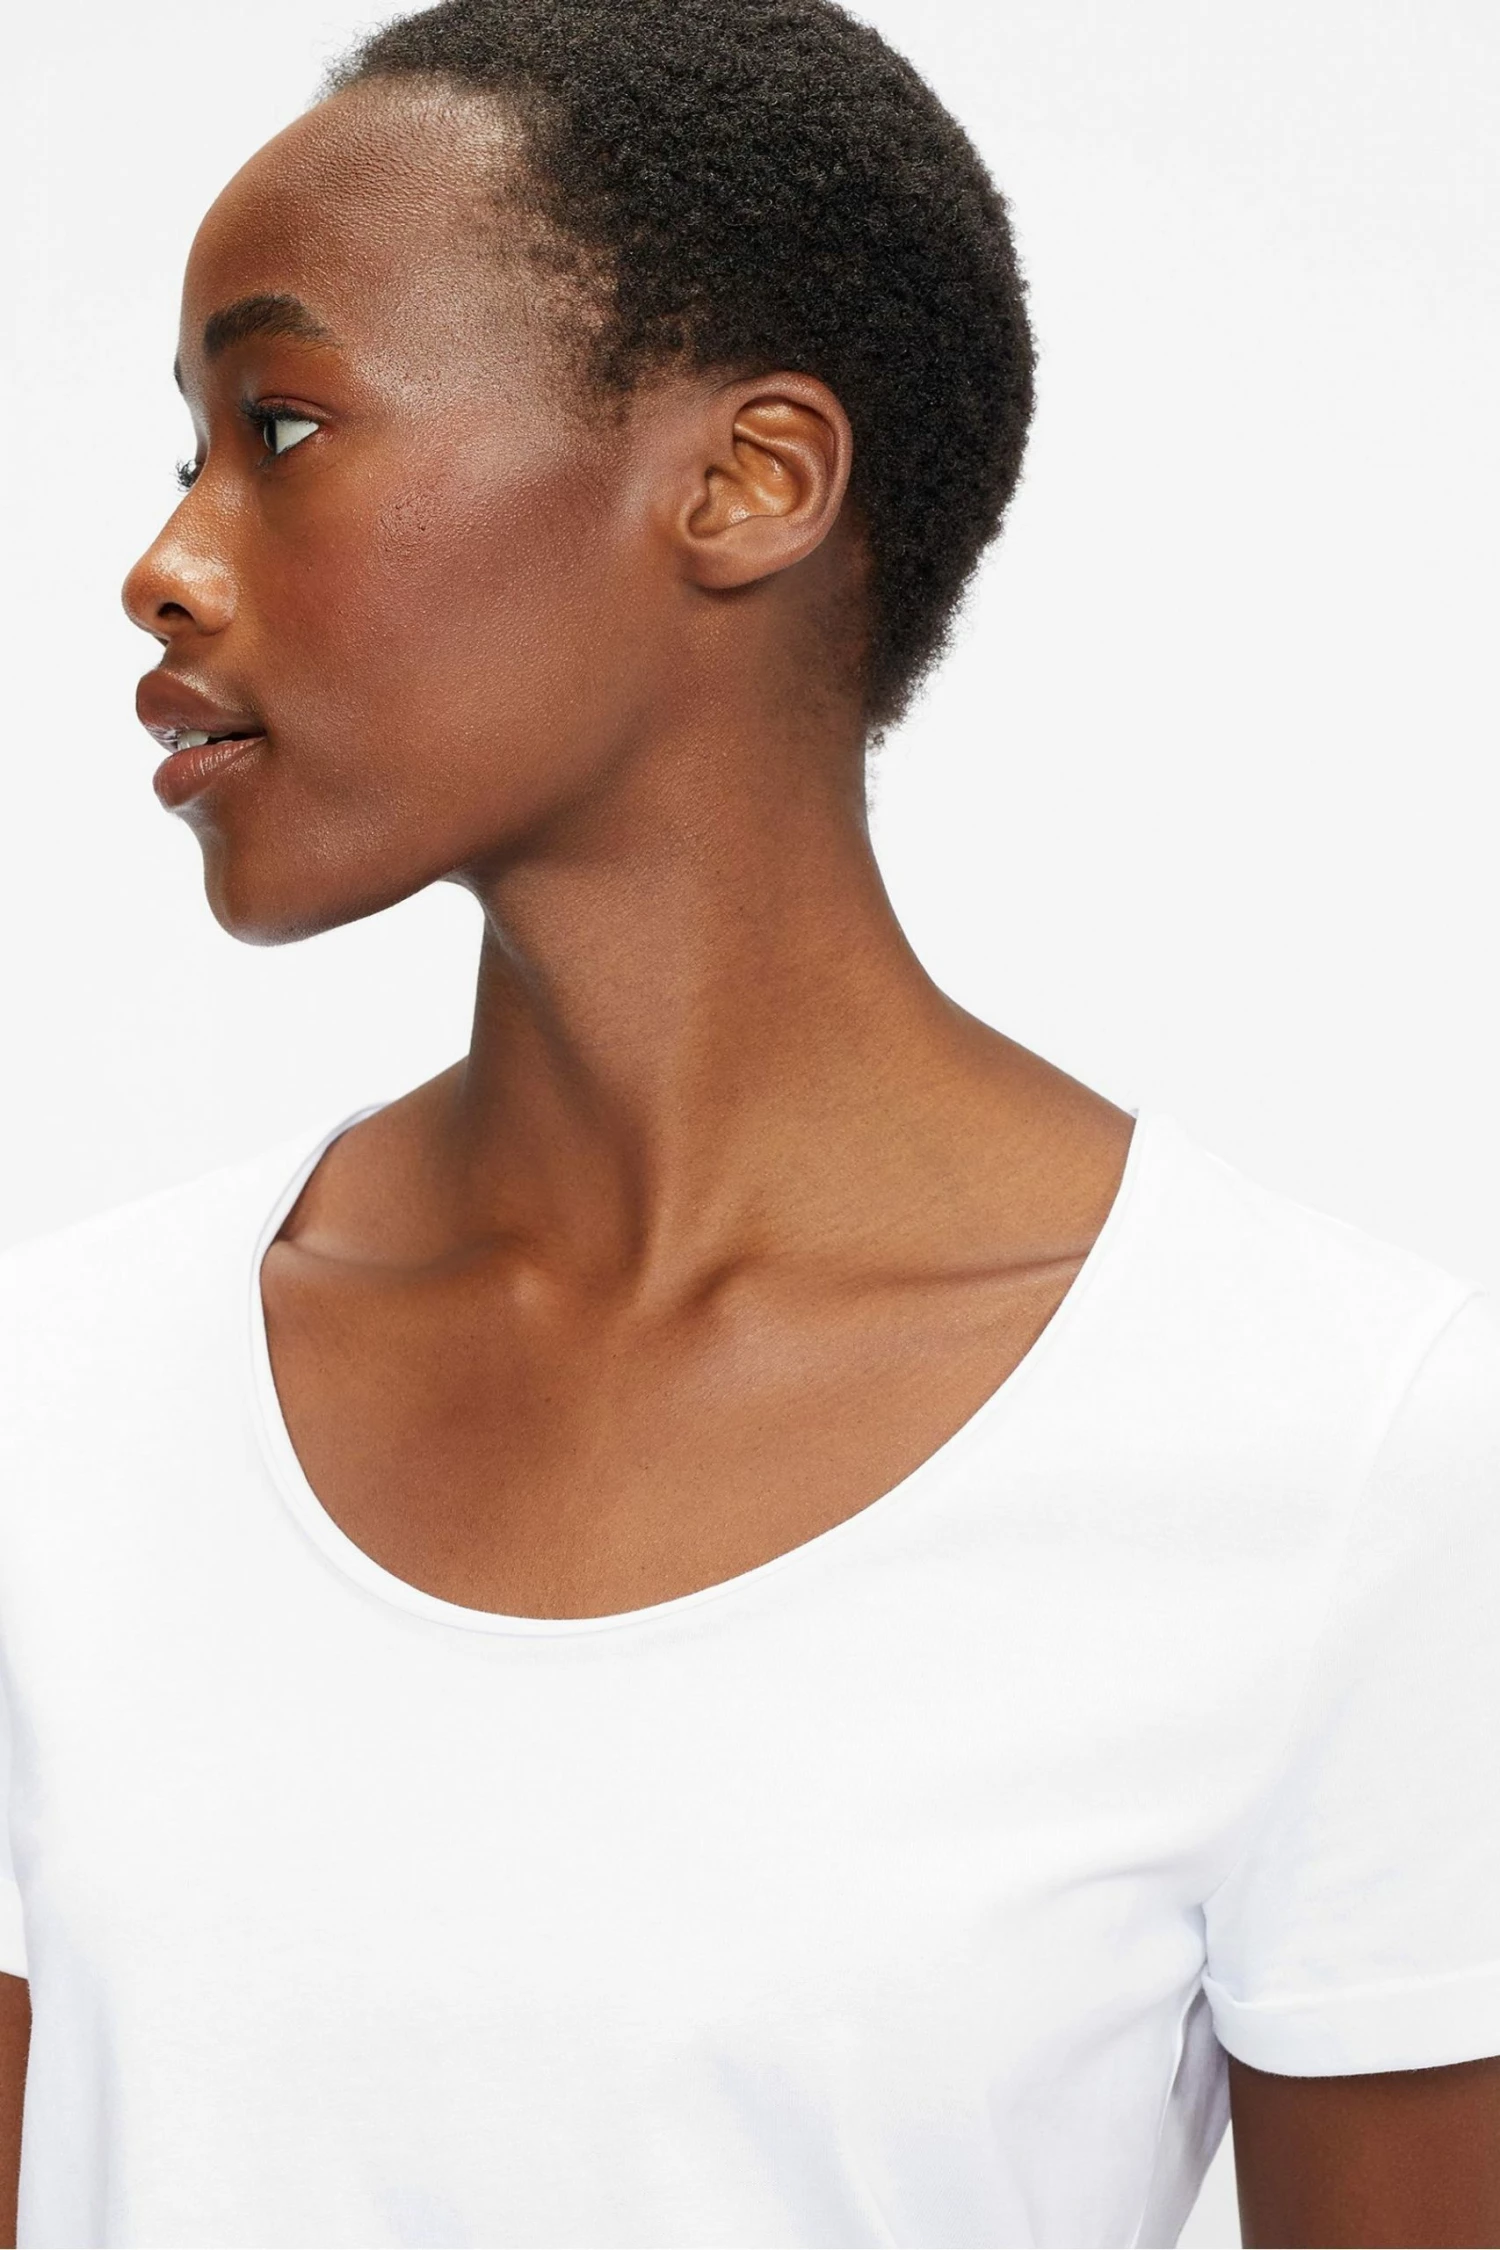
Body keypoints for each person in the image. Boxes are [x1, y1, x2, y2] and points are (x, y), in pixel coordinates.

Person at [1, 0, 1497, 2242]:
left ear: (750, 481)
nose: (166, 561)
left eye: (283, 425)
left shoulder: (1341, 1447)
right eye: (184, 449)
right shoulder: (53, 1404)